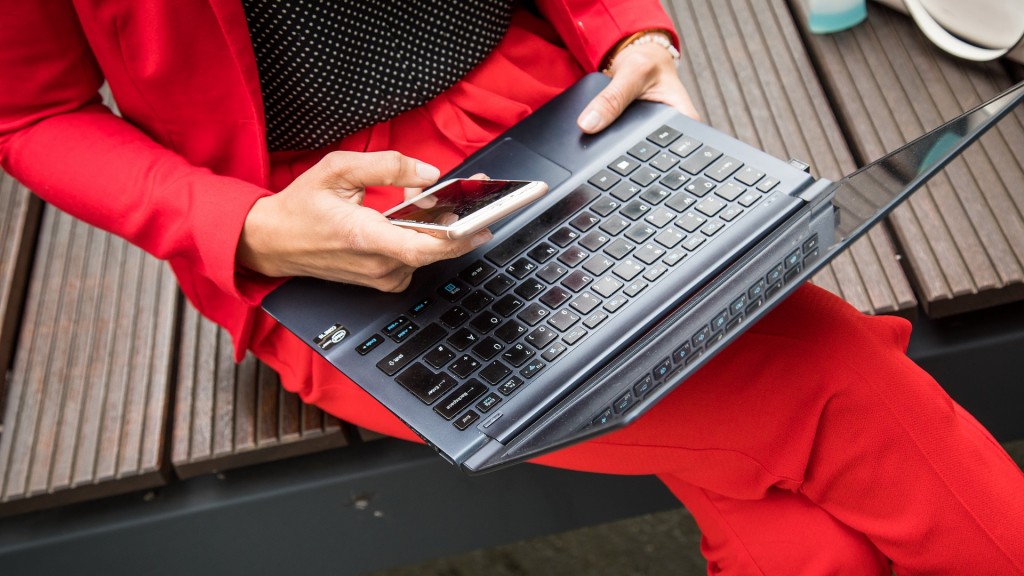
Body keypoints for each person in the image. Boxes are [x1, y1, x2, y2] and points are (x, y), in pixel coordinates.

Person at [1, 1, 1021, 573]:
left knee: (809, 543)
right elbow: (28, 112)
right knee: (832, 387)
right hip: (319, 226)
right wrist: (244, 228)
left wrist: (627, 30)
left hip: (552, 121)